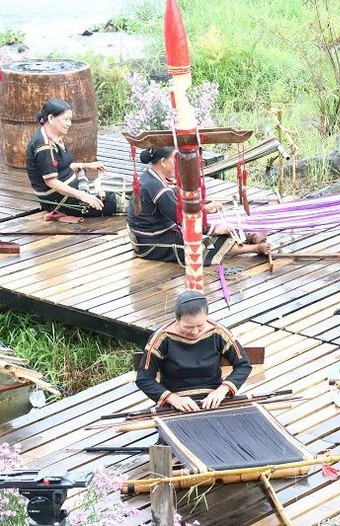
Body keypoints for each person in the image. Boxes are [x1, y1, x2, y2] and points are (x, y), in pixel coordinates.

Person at [126, 146, 270, 264]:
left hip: (152, 234)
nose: (178, 164)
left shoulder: (151, 177)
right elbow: (182, 217)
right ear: (163, 161)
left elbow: (177, 203)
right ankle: (255, 248)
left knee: (210, 225)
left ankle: (249, 237)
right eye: (175, 160)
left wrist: (203, 208)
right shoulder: (156, 187)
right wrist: (212, 229)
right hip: (151, 243)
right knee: (204, 242)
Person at [136, 291, 252, 411]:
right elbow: (144, 378)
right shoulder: (162, 338)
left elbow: (243, 365)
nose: (195, 332)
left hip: (213, 400)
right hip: (176, 403)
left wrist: (222, 390)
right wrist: (173, 398)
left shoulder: (218, 333)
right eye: (188, 327)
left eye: (200, 326)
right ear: (177, 319)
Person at [26, 98, 118, 221]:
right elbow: (51, 181)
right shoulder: (43, 145)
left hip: (70, 189)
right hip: (58, 199)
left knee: (115, 186)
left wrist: (86, 165)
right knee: (115, 200)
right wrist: (83, 196)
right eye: (66, 119)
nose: (69, 123)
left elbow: (60, 167)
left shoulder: (54, 136)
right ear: (51, 118)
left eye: (70, 120)